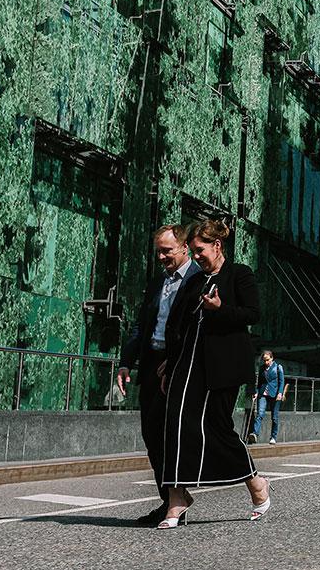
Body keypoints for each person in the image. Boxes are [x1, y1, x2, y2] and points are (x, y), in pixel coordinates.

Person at [158, 219, 269, 528]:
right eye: (193, 252)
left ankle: (256, 484)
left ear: (217, 246)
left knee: (218, 428)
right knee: (176, 424)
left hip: (222, 366)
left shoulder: (239, 274)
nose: (196, 257)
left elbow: (252, 314)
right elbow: (177, 324)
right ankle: (177, 499)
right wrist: (170, 361)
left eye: (200, 250)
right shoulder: (194, 281)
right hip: (187, 364)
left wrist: (220, 308)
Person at [116, 224, 199, 526]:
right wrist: (126, 362)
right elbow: (141, 325)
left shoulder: (198, 280)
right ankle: (170, 500)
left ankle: (175, 502)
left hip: (178, 366)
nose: (162, 256)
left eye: (167, 250)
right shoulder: (157, 283)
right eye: (159, 252)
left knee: (171, 435)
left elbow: (199, 330)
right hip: (152, 364)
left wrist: (177, 360)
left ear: (184, 248)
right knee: (152, 435)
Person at [249, 351, 285, 445]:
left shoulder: (278, 367)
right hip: (263, 394)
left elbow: (281, 381)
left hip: (275, 394)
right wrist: (256, 392)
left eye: (267, 360)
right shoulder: (262, 368)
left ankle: (273, 437)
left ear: (272, 358)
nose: (266, 362)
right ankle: (255, 434)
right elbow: (260, 383)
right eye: (264, 360)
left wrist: (280, 393)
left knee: (274, 417)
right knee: (260, 414)